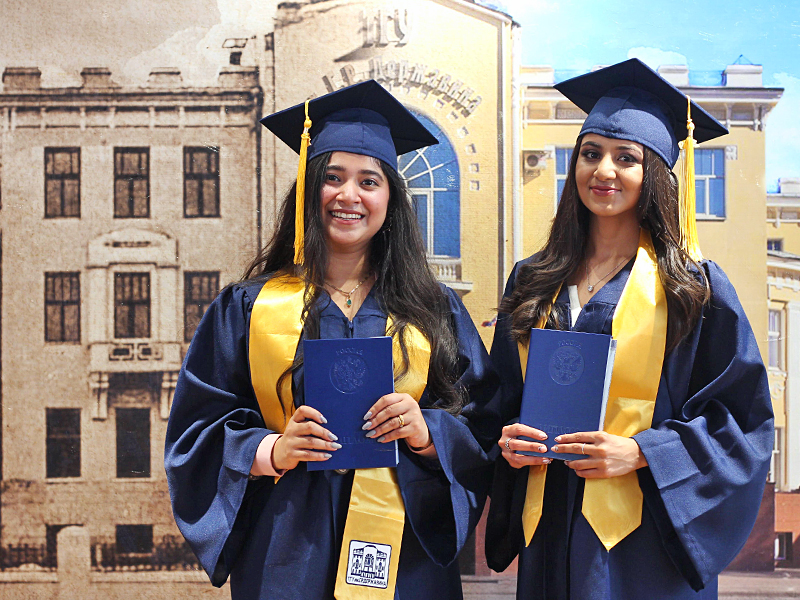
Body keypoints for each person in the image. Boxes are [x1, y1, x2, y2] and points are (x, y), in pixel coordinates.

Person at [164, 80, 499, 600]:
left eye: (369, 181)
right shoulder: (247, 308)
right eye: (332, 177)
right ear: (307, 190)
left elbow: (485, 421)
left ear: (390, 198)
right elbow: (195, 430)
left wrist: (427, 431)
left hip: (404, 552)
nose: (349, 196)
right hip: (286, 546)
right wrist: (272, 449)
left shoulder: (434, 309)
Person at [485, 59, 774, 600]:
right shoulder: (533, 280)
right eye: (590, 154)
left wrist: (643, 452)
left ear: (656, 174)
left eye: (627, 158)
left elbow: (743, 420)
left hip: (646, 538)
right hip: (548, 527)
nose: (604, 171)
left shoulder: (692, 287)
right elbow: (498, 400)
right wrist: (508, 441)